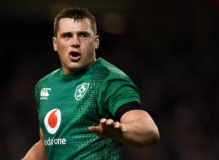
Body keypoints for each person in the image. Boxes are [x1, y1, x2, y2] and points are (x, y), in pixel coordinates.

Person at [22, 7, 160, 160]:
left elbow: (150, 131)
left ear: (96, 42)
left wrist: (122, 131)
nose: (75, 42)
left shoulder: (109, 79)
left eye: (83, 35)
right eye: (67, 36)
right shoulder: (45, 86)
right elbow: (46, 143)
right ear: (55, 43)